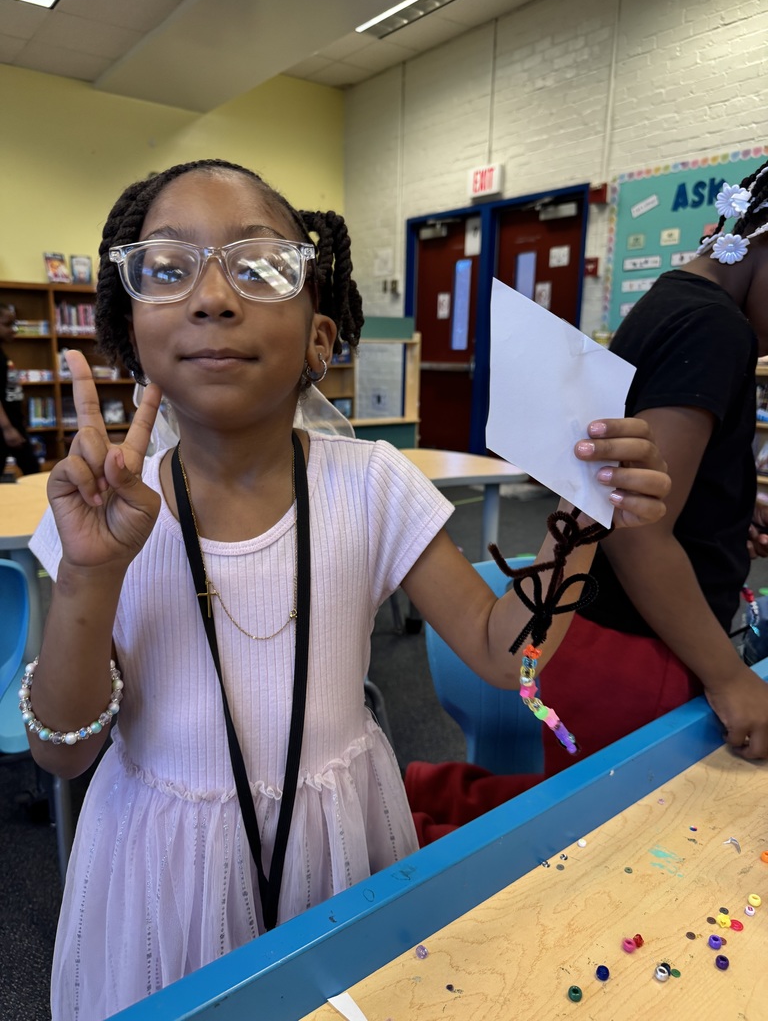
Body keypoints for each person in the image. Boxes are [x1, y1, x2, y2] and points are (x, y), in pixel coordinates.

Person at [24, 159, 669, 1020]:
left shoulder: (369, 483)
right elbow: (63, 752)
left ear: (320, 337)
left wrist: (580, 514)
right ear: (129, 329)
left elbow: (493, 648)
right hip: (159, 862)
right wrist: (90, 575)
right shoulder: (95, 510)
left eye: (258, 267)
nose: (213, 298)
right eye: (169, 270)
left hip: (337, 839)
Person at [407, 157, 768, 844]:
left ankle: (435, 800)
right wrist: (729, 678)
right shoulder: (716, 328)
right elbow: (631, 523)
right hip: (636, 646)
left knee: (581, 815)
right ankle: (424, 812)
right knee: (603, 839)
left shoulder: (675, 298)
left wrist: (727, 512)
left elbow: (661, 479)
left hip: (604, 631)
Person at [0, 302, 41, 475]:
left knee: (31, 466)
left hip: (15, 423)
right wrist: (7, 429)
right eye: (7, 325)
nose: (13, 329)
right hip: (5, 427)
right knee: (31, 467)